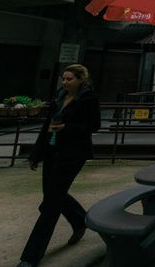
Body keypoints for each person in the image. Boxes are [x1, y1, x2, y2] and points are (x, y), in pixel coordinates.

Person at [18, 64, 101, 267]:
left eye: (69, 79)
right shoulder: (58, 97)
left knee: (51, 204)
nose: (65, 82)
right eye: (63, 78)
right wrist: (36, 154)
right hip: (52, 151)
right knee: (52, 194)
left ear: (80, 79)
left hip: (73, 154)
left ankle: (30, 257)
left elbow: (94, 125)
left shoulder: (88, 99)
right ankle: (79, 219)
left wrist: (67, 127)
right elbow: (47, 127)